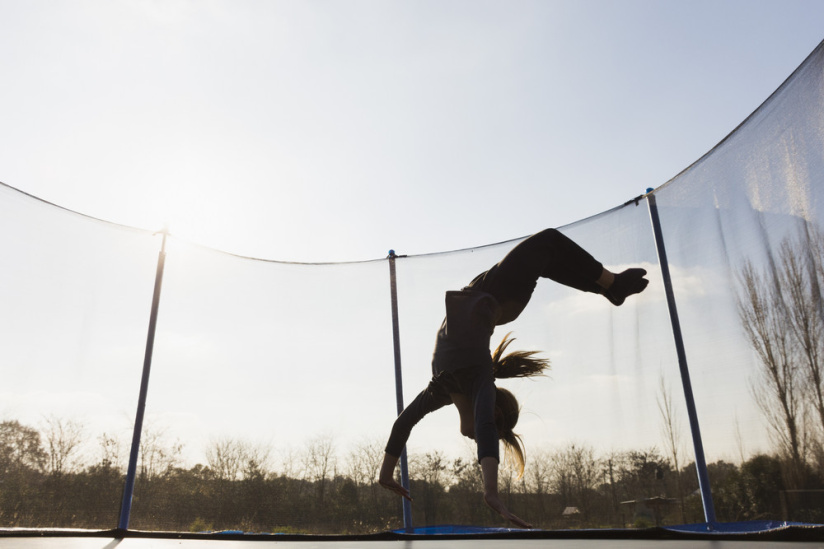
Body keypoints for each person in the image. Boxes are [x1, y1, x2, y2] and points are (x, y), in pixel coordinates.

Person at [378, 228, 649, 528]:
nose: (475, 438)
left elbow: (404, 423)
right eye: (491, 433)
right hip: (496, 293)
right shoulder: (480, 378)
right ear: (494, 413)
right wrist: (491, 492)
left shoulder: (439, 391)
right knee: (549, 242)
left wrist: (385, 474)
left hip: (492, 297)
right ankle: (612, 285)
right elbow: (484, 426)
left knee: (548, 257)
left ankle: (609, 289)